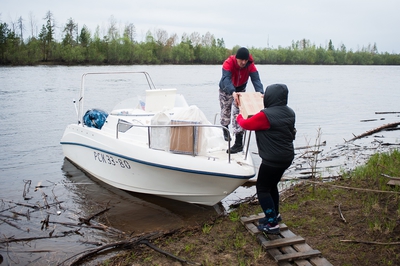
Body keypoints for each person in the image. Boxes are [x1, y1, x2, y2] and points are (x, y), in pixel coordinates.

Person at [236, 83, 296, 234]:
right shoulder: (290, 112)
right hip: (286, 157)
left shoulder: (265, 116)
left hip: (272, 160)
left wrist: (238, 114)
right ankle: (275, 215)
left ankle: (272, 224)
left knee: (262, 189)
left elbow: (246, 124)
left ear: (269, 97)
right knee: (271, 185)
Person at [219, 47, 264, 153]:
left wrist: (261, 93)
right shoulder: (228, 63)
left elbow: (256, 79)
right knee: (225, 110)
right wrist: (232, 92)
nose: (243, 62)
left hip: (240, 90)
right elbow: (226, 79)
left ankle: (239, 143)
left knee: (239, 114)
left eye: (245, 60)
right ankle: (225, 129)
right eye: (241, 60)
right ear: (236, 58)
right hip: (226, 89)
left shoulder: (250, 65)